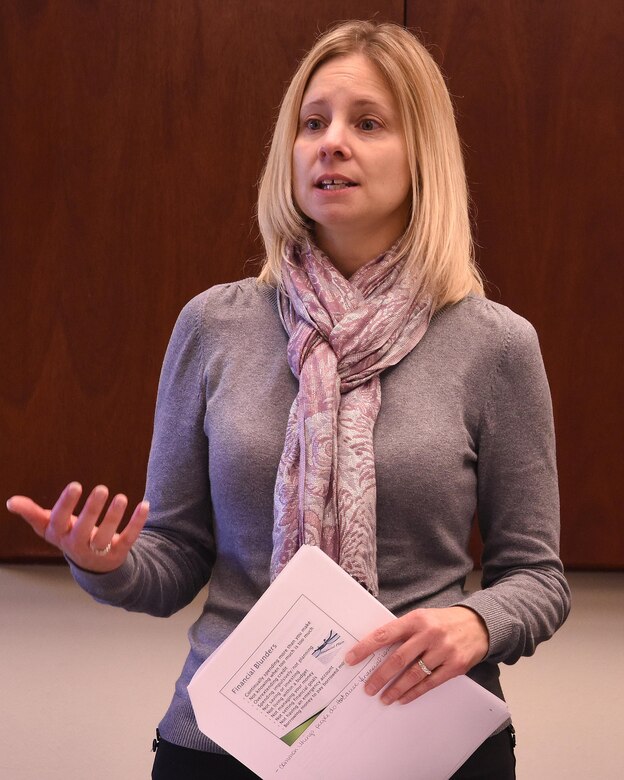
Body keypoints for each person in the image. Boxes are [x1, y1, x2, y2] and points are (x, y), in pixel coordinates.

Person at [7, 20, 570, 780]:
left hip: (424, 742)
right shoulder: (214, 325)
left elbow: (537, 580)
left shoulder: (494, 345)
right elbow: (173, 561)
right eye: (313, 123)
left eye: (367, 123)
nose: (330, 143)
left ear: (424, 155)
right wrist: (104, 564)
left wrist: (477, 622)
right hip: (227, 747)